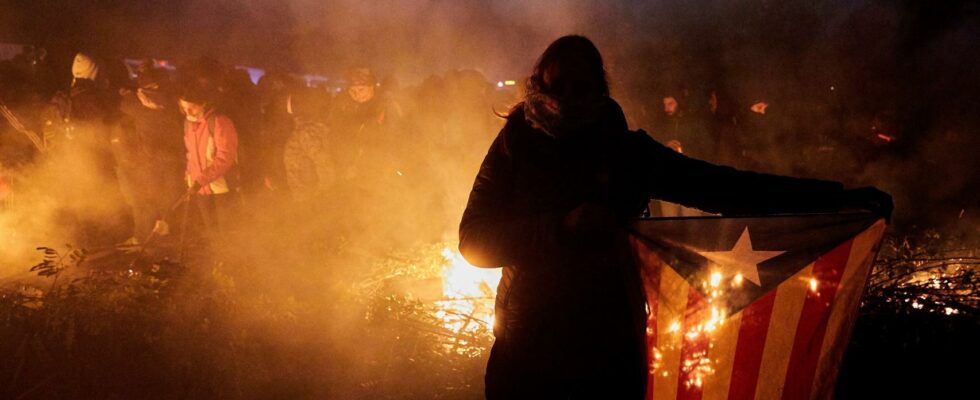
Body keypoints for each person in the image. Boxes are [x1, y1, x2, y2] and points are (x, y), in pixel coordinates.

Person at [458, 35, 891, 399]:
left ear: (599, 91)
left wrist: (838, 200)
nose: (567, 100)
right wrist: (559, 228)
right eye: (557, 88)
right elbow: (474, 241)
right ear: (538, 89)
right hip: (526, 352)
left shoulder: (628, 154)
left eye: (580, 87)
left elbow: (729, 189)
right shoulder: (516, 146)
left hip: (608, 351)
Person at [179, 85, 240, 237]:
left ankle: (230, 259)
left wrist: (201, 179)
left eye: (191, 107)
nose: (187, 112)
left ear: (203, 103)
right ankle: (217, 257)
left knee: (226, 230)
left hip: (221, 187)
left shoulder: (220, 122)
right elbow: (190, 154)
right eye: (184, 108)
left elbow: (225, 157)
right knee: (211, 229)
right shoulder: (188, 124)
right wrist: (189, 175)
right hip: (199, 187)